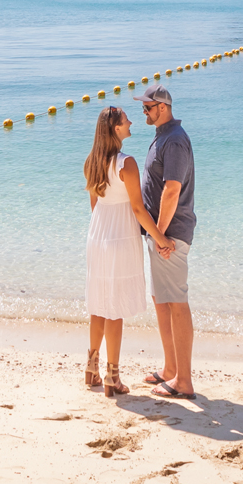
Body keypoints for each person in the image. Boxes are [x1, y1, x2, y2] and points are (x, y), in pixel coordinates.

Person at [82, 104, 161, 396]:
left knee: (99, 305)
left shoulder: (92, 161)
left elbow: (95, 206)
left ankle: (91, 367)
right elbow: (138, 210)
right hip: (120, 237)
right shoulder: (126, 163)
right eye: (126, 121)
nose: (131, 124)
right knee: (114, 310)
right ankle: (112, 376)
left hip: (98, 235)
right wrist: (160, 238)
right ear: (116, 129)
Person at [138, 85, 197, 397]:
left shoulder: (174, 141)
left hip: (170, 235)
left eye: (147, 108)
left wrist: (160, 235)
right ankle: (170, 369)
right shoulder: (163, 135)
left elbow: (172, 190)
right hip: (159, 234)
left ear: (162, 106)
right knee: (161, 301)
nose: (144, 113)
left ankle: (184, 382)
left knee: (176, 303)